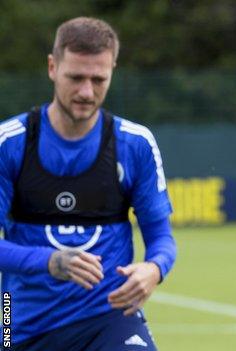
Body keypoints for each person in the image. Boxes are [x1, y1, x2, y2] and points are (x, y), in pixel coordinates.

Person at [0, 17, 176, 351]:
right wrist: (50, 262)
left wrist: (155, 268)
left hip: (108, 316)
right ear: (53, 67)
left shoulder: (135, 144)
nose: (86, 91)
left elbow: (162, 238)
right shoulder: (9, 143)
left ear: (113, 70)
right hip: (18, 322)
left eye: (99, 79)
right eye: (76, 77)